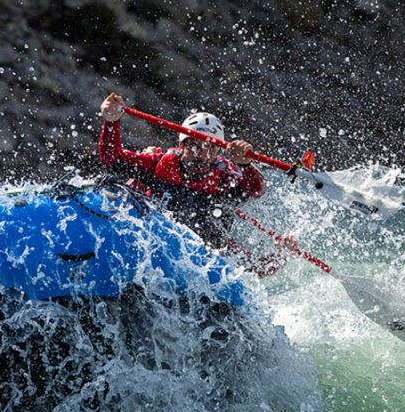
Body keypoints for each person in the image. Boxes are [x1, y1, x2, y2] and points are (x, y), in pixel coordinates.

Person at [97, 92, 294, 277]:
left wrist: (246, 164)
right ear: (181, 146)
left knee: (250, 267)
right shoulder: (160, 164)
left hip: (205, 247)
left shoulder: (224, 176)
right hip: (154, 241)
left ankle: (283, 254)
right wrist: (112, 123)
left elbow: (256, 190)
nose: (202, 154)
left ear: (218, 152)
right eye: (194, 145)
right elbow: (112, 159)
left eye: (210, 148)